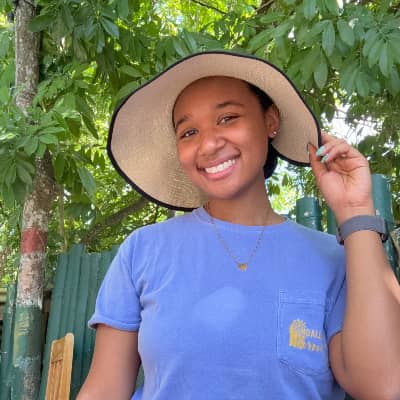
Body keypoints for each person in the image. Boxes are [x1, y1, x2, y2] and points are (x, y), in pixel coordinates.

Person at [77, 51, 400, 400]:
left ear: (270, 121)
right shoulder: (143, 251)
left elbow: (383, 387)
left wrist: (355, 210)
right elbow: (104, 390)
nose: (208, 144)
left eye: (228, 118)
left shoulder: (333, 260)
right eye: (189, 132)